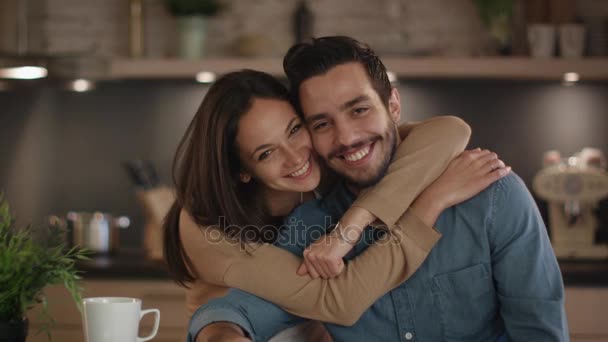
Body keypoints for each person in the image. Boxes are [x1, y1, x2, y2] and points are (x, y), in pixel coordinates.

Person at [189, 37, 569, 342]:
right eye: (322, 124)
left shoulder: (493, 197)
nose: (348, 138)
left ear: (394, 106)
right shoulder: (311, 225)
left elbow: (539, 331)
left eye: (359, 110)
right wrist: (220, 331)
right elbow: (247, 309)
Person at [164, 69, 505, 340]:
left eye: (295, 130)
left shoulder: (322, 169)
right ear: (241, 171)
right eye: (266, 153)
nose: (296, 156)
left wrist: (352, 223)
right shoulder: (202, 226)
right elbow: (339, 302)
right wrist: (433, 200)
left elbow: (448, 130)